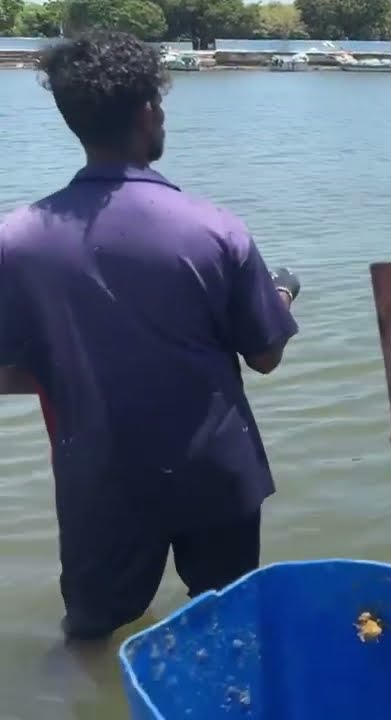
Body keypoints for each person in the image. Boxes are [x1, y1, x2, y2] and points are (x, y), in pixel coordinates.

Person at [0, 31, 301, 642]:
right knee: (229, 625)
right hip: (216, 476)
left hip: (98, 483)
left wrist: (73, 365)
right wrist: (283, 293)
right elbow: (264, 354)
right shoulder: (214, 229)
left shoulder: (18, 240)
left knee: (88, 634)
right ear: (146, 113)